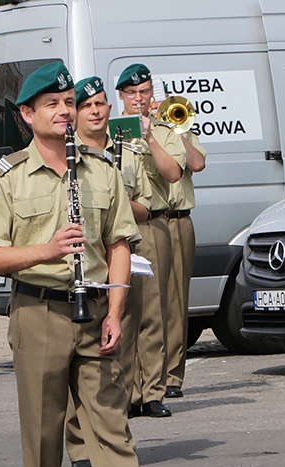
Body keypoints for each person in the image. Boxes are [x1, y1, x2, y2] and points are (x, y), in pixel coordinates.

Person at [0, 61, 179, 467]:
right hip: (38, 311)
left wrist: (115, 309)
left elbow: (118, 244)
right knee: (43, 436)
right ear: (28, 115)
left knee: (112, 426)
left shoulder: (102, 169)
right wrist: (44, 249)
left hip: (95, 310)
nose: (65, 112)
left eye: (69, 103)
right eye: (53, 104)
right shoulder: (8, 176)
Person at [63, 75, 153, 467]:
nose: (96, 111)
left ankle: (115, 432)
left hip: (119, 258)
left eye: (101, 104)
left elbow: (146, 209)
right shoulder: (65, 156)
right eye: (87, 106)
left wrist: (117, 200)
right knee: (74, 359)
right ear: (76, 114)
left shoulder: (125, 152)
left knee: (119, 348)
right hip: (81, 267)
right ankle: (81, 446)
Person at [115, 63, 184, 418]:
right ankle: (126, 391)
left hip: (153, 224)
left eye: (144, 92)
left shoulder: (164, 130)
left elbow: (173, 173)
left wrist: (150, 138)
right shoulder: (109, 132)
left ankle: (153, 391)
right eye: (131, 93)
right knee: (124, 312)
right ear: (121, 97)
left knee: (155, 312)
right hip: (118, 227)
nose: (138, 99)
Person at [164, 123, 206, 399]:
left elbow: (197, 163)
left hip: (177, 220)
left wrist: (175, 133)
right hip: (143, 219)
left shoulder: (185, 134)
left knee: (176, 301)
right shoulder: (130, 132)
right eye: (135, 93)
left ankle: (170, 376)